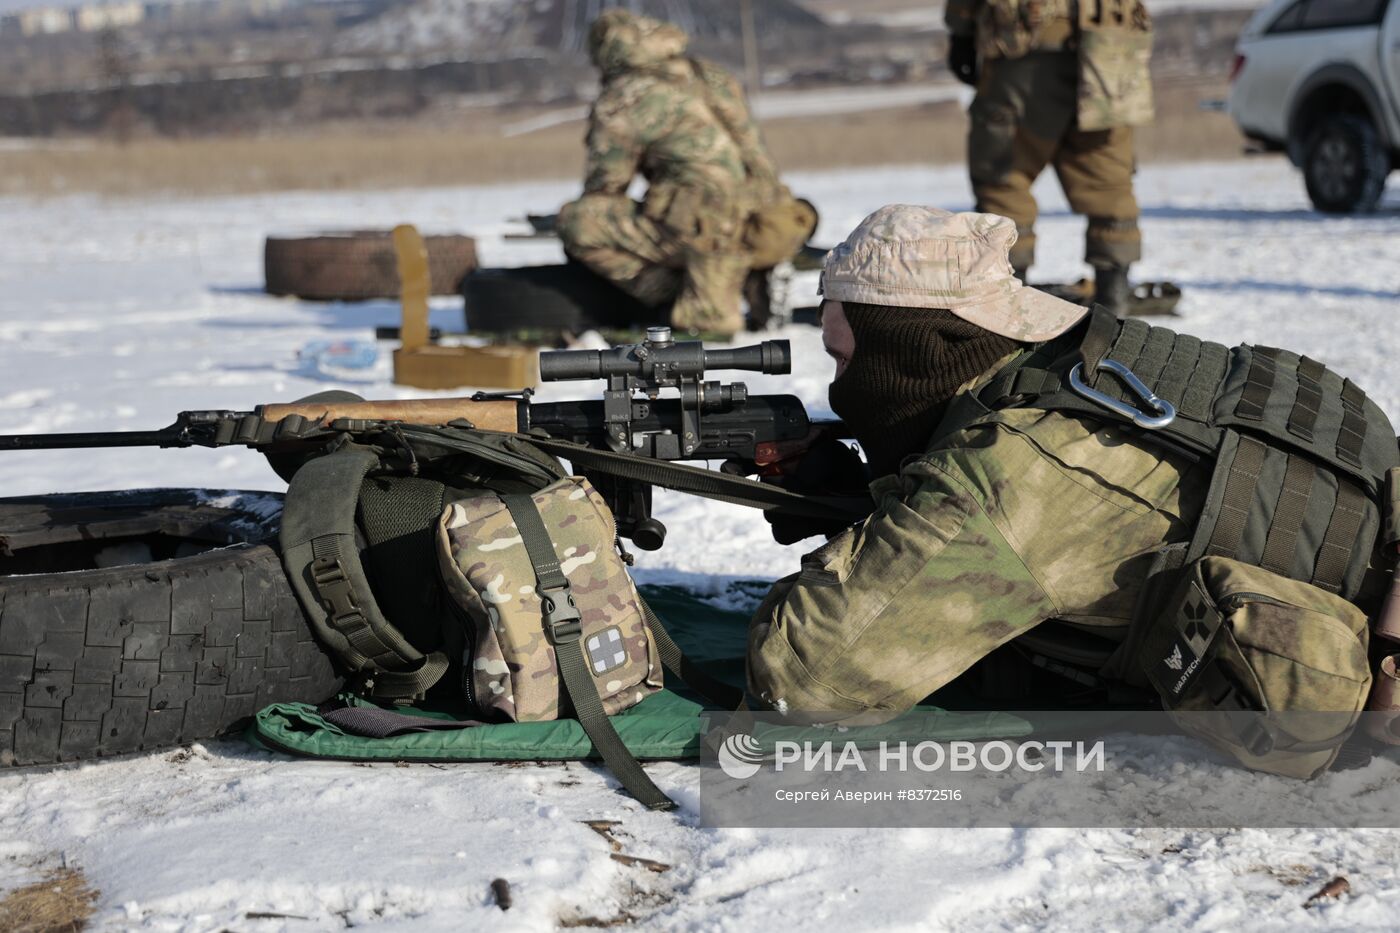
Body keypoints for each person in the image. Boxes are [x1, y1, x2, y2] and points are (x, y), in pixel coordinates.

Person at [745, 206, 1395, 778]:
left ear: (906, 352)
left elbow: (805, 680)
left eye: (845, 360)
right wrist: (875, 492)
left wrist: (870, 527)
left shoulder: (1007, 476)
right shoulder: (1076, 359)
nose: (840, 387)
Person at [557, 9, 814, 336]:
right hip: (769, 218)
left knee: (577, 221)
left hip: (703, 229)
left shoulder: (624, 97)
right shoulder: (709, 74)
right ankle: (745, 274)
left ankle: (673, 293)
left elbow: (606, 185)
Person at [945, 0, 1154, 314]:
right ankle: (1113, 319)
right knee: (1110, 188)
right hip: (1112, 50)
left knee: (1004, 184)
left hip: (1026, 49)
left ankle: (1006, 320)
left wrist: (960, 30)